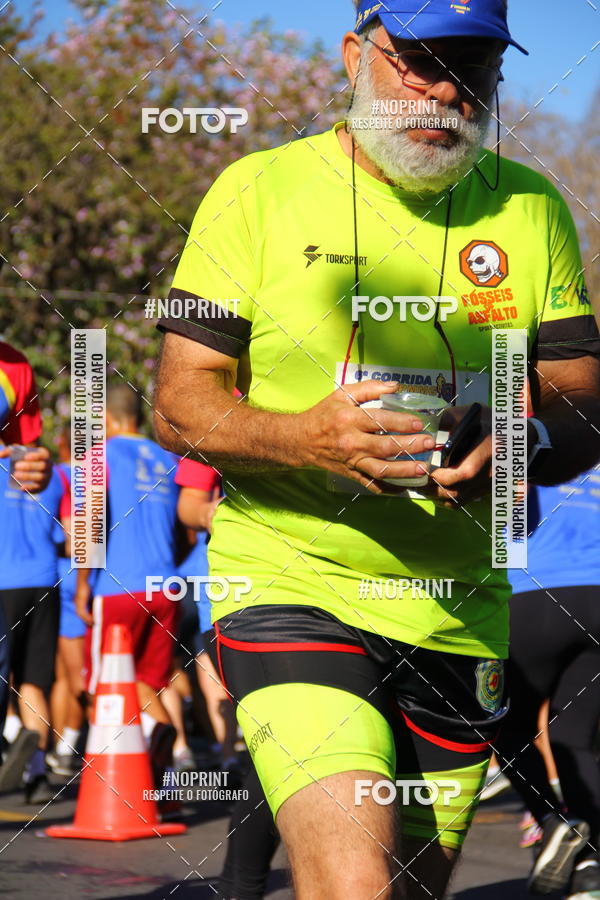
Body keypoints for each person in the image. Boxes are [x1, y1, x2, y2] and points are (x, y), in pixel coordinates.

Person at [153, 1, 600, 896]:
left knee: (413, 885)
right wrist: (301, 438)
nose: (444, 90)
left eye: (470, 68)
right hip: (291, 584)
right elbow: (178, 401)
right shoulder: (257, 190)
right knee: (353, 884)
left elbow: (584, 396)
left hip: (458, 608)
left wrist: (522, 436)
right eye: (420, 62)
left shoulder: (531, 205)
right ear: (357, 54)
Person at [495, 468, 600, 899]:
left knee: (502, 725)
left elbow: (505, 523)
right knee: (575, 739)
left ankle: (553, 820)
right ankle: (591, 870)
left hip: (534, 592)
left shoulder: (525, 434)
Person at [75, 383, 181, 785]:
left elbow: (89, 522)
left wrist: (83, 584)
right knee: (145, 683)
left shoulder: (98, 455)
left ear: (107, 419)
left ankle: (109, 782)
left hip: (118, 588)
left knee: (101, 687)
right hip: (166, 588)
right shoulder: (168, 459)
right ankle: (159, 762)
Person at [0, 339, 55, 798]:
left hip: (8, 579)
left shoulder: (14, 365)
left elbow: (38, 460)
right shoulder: (82, 476)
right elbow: (83, 535)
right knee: (33, 683)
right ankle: (37, 769)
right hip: (44, 578)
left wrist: (44, 463)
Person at [47, 426, 89, 777]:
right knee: (79, 678)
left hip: (58, 578)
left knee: (65, 676)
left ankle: (61, 747)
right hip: (80, 580)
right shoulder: (86, 478)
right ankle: (66, 746)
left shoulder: (57, 477)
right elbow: (82, 539)